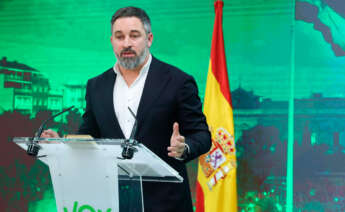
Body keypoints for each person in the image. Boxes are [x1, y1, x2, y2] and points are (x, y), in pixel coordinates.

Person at [42, 6, 211, 212]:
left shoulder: (178, 81)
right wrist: (61, 143)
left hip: (166, 203)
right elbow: (90, 135)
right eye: (119, 37)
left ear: (149, 39)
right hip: (111, 201)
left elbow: (202, 135)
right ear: (112, 41)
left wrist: (184, 147)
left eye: (134, 35)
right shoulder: (96, 85)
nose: (127, 43)